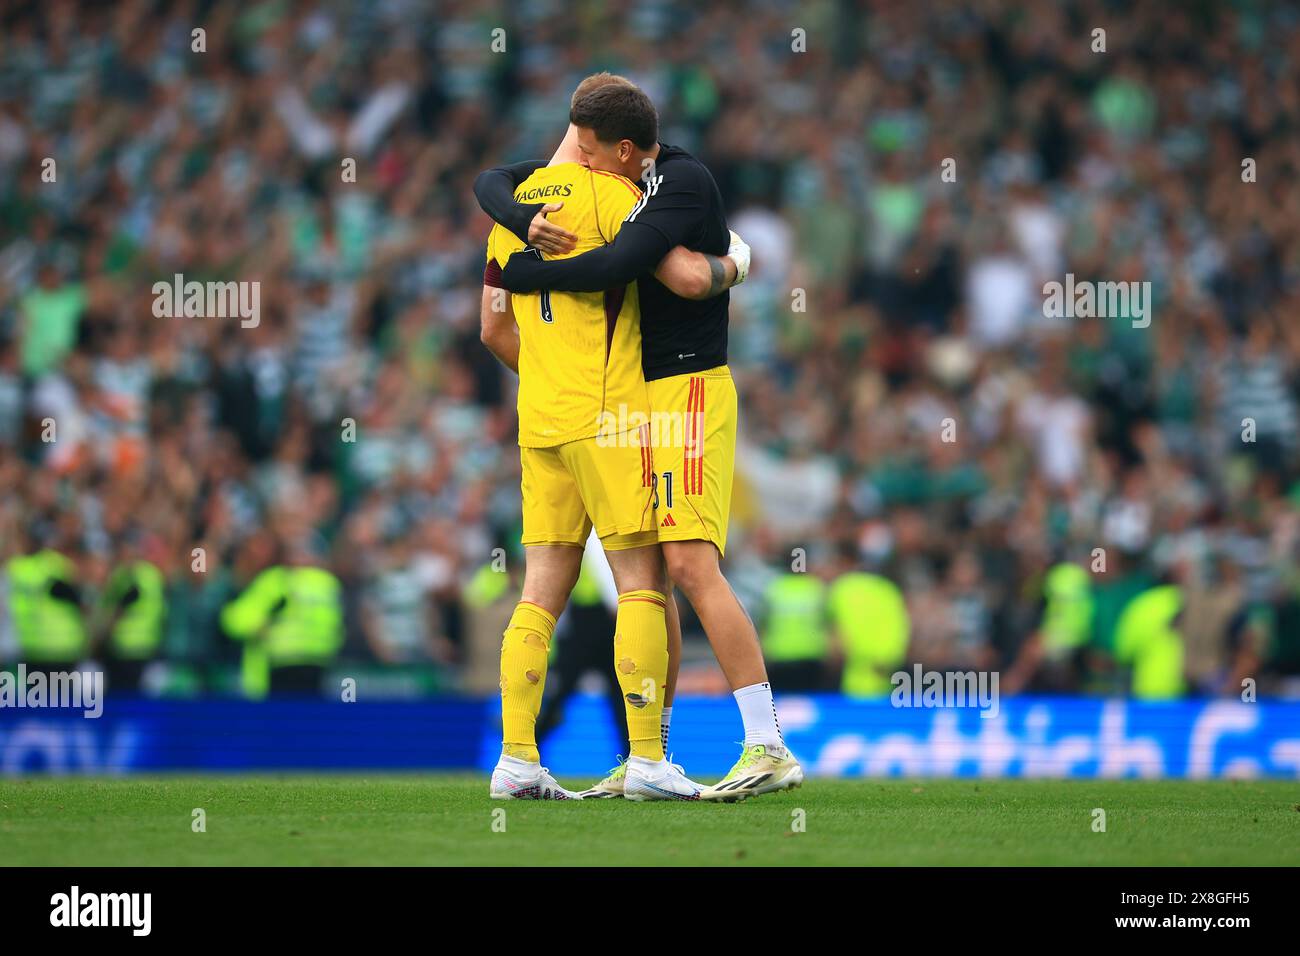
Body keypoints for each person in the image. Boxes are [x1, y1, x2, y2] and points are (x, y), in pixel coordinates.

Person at [476, 79, 803, 801]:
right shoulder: (611, 194)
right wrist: (738, 262)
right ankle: (650, 757)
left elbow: (503, 315)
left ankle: (762, 741)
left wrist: (525, 263)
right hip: (617, 410)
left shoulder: (668, 184)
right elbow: (685, 274)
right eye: (579, 150)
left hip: (665, 392)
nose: (584, 161)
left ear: (621, 148)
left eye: (592, 151)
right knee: (648, 580)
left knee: (666, 570)